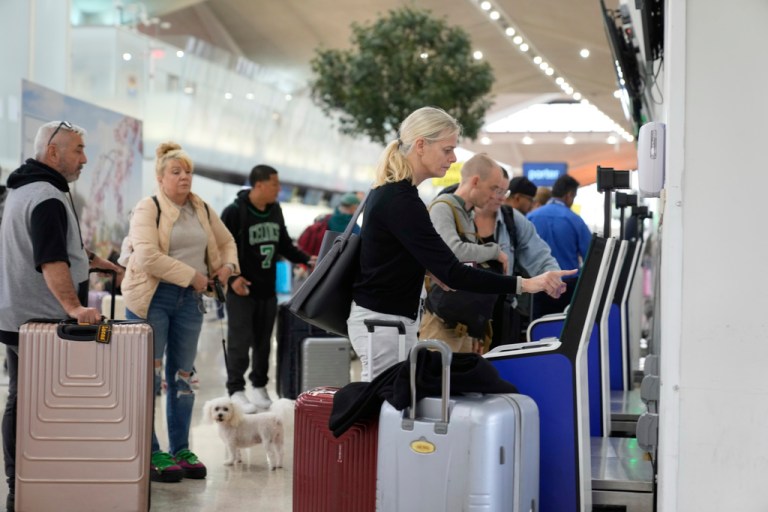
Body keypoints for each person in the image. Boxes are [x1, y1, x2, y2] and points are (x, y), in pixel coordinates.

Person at [348, 106, 575, 381]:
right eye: (447, 150)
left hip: (388, 323)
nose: (453, 158)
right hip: (383, 325)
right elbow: (453, 270)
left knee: (390, 413)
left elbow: (395, 257)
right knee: (383, 415)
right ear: (421, 145)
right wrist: (526, 284)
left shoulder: (395, 195)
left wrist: (431, 270)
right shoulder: (401, 201)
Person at [0, 121, 122, 510]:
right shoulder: (47, 196)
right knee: (35, 406)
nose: (85, 159)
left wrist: (91, 262)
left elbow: (53, 247)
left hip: (19, 316)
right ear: (54, 152)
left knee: (24, 401)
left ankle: (27, 484)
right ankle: (26, 488)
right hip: (43, 321)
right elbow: (50, 259)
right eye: (79, 150)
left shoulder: (22, 189)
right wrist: (74, 306)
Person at [121, 142, 239, 483]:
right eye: (177, 172)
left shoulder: (200, 207)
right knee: (148, 378)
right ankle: (151, 449)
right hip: (150, 299)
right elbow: (146, 257)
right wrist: (195, 276)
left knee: (183, 376)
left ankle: (181, 448)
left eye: (188, 171)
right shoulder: (148, 208)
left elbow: (227, 241)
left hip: (191, 302)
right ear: (160, 178)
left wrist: (228, 266)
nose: (185, 177)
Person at [220, 165, 315, 413]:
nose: (279, 189)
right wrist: (232, 280)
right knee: (239, 342)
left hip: (267, 290)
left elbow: (284, 243)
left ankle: (259, 387)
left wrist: (307, 259)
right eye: (275, 184)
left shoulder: (274, 210)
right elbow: (218, 250)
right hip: (240, 290)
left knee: (264, 343)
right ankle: (236, 390)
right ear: (259, 185)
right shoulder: (234, 212)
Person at [419, 153, 509, 353]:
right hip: (440, 321)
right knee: (435, 380)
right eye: (493, 188)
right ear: (476, 181)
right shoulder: (443, 207)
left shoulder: (466, 213)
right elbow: (454, 253)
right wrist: (493, 251)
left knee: (458, 382)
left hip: (463, 323)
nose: (495, 195)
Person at [474, 169, 560, 347]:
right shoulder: (456, 214)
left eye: (503, 191)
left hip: (503, 311)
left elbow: (539, 254)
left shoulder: (512, 220)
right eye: (495, 189)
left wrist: (553, 277)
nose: (500, 196)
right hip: (465, 311)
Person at [527, 174, 592, 320]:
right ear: (569, 195)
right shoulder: (575, 220)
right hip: (566, 286)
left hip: (538, 284)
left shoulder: (531, 218)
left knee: (537, 330)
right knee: (564, 330)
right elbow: (591, 255)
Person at [297, 191, 361, 257]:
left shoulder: (323, 218)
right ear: (354, 208)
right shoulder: (355, 229)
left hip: (312, 259)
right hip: (334, 263)